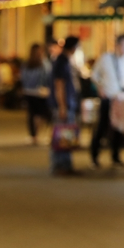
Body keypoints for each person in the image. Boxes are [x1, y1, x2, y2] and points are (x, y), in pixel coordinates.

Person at [91, 34, 124, 168]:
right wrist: (100, 88)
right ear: (118, 45)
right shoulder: (105, 58)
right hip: (108, 97)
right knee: (102, 127)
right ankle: (94, 157)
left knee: (119, 128)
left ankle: (115, 157)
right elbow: (94, 75)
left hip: (121, 98)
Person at [50, 36, 81, 175]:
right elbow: (59, 85)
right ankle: (60, 164)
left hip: (69, 102)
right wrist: (62, 106)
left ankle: (66, 164)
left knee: (67, 134)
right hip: (65, 103)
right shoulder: (61, 61)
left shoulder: (66, 60)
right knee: (62, 133)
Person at [21, 43, 52, 146]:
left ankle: (34, 136)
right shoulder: (44, 63)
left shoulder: (27, 63)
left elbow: (23, 77)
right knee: (42, 114)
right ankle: (41, 134)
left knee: (32, 114)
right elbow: (48, 76)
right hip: (40, 91)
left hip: (28, 91)